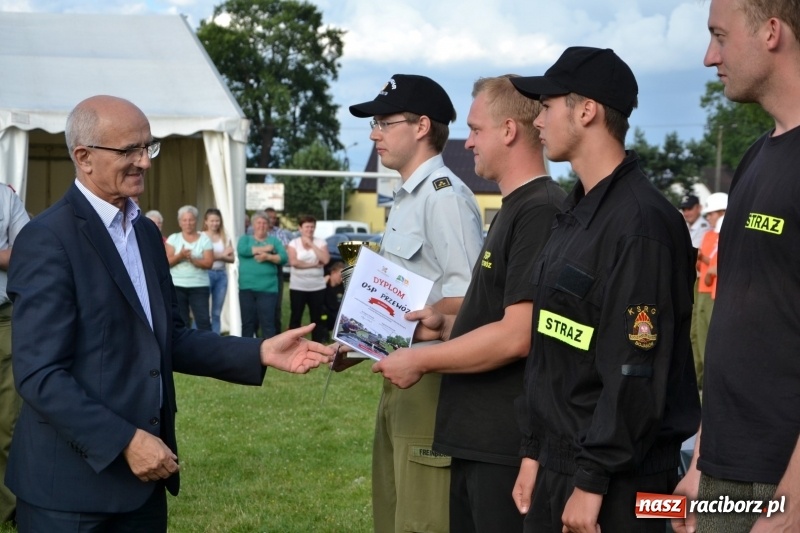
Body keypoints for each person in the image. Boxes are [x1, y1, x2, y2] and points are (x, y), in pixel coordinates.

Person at [5, 95, 334, 532]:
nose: (145, 161)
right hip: (70, 494)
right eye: (130, 151)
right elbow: (39, 373)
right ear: (83, 157)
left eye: (149, 147)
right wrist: (124, 441)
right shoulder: (47, 239)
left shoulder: (143, 233)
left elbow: (169, 337)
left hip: (144, 484)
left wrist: (259, 352)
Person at [508, 47, 700, 533]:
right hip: (560, 466)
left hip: (616, 483)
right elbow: (554, 346)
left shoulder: (641, 223)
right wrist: (534, 452)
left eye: (547, 106)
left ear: (587, 110)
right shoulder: (574, 213)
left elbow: (636, 368)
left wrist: (592, 480)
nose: (538, 121)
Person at [372, 74, 565, 532]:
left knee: (421, 519)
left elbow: (515, 330)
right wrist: (426, 327)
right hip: (459, 403)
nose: (468, 141)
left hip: (482, 414)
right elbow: (477, 308)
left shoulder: (534, 207)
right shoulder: (514, 208)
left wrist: (427, 347)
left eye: (476, 130)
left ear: (509, 131)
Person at [673, 2, 800, 532]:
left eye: (719, 37)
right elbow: (735, 326)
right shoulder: (756, 156)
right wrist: (702, 462)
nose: (709, 57)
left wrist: (792, 502)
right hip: (727, 473)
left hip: (779, 480)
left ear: (771, 32)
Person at [346, 73, 483, 533]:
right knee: (394, 506)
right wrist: (360, 337)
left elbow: (468, 301)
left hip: (433, 378)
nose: (373, 133)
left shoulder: (443, 197)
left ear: (422, 126)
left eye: (385, 122)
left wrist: (401, 330)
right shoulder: (409, 196)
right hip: (403, 371)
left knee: (422, 517)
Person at [0, 183, 29, 524]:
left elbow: (25, 252)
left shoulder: (6, 196)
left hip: (5, 320)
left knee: (9, 419)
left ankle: (8, 508)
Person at [693, 192, 727, 390]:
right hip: (703, 289)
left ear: (722, 212)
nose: (708, 218)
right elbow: (704, 267)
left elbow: (714, 264)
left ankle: (709, 381)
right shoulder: (708, 235)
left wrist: (706, 263)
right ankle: (700, 379)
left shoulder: (724, 234)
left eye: (712, 213)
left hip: (714, 291)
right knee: (696, 336)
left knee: (709, 339)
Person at [237, 211, 287, 339]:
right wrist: (265, 249)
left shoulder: (274, 241)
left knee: (268, 323)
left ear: (268, 225)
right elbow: (242, 250)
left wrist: (268, 257)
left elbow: (284, 257)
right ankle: (247, 351)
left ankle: (269, 354)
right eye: (258, 222)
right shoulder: (245, 239)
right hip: (246, 288)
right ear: (253, 225)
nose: (261, 225)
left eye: (264, 223)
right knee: (248, 323)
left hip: (268, 289)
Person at [166, 205, 214, 331]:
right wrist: (180, 255)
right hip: (177, 285)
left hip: (199, 285)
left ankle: (207, 349)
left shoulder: (205, 239)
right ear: (180, 222)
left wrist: (193, 259)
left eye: (191, 220)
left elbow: (209, 263)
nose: (188, 223)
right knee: (181, 322)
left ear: (196, 221)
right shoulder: (173, 239)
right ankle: (185, 350)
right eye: (184, 220)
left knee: (203, 321)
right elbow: (166, 262)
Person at [287, 215, 330, 343]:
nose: (309, 229)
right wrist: (314, 264)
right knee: (296, 316)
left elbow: (325, 259)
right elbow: (294, 262)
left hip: (317, 286)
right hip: (298, 286)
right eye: (306, 226)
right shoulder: (293, 243)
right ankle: (292, 343)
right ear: (300, 228)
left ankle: (317, 343)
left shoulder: (321, 242)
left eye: (312, 226)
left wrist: (311, 244)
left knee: (316, 317)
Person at [202, 208, 235, 334]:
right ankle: (198, 336)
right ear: (206, 222)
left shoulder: (225, 237)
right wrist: (222, 254)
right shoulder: (201, 236)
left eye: (217, 221)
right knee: (203, 310)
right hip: (205, 273)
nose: (215, 223)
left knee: (216, 312)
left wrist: (213, 255)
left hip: (221, 275)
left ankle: (215, 338)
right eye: (212, 221)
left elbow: (232, 258)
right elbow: (201, 256)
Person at [265, 207, 292, 333]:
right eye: (270, 217)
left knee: (276, 305)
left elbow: (285, 254)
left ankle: (276, 334)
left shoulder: (279, 232)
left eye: (275, 218)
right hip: (260, 272)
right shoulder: (254, 232)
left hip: (276, 271)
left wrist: (269, 254)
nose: (273, 220)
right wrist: (275, 253)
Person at [322, 260, 345, 337]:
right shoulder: (324, 284)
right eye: (341, 276)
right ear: (333, 272)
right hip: (324, 313)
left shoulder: (342, 288)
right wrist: (323, 284)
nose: (342, 279)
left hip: (335, 314)